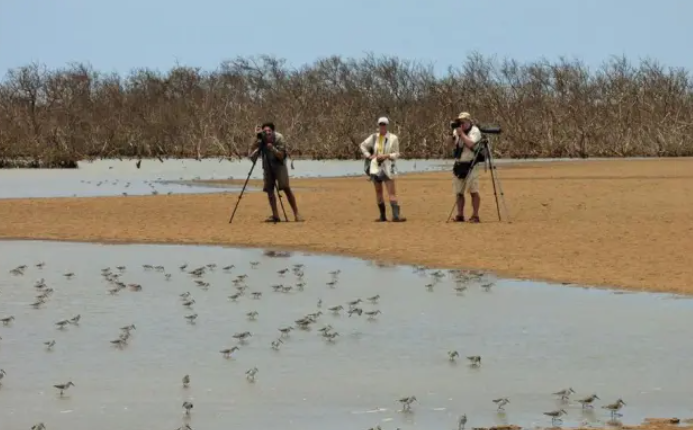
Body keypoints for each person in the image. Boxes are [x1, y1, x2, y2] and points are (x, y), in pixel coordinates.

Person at [249, 122, 303, 223]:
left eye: (269, 131)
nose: (267, 133)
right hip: (267, 164)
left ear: (273, 131)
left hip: (279, 164)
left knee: (286, 188)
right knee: (269, 190)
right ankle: (275, 215)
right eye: (265, 131)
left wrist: (272, 148)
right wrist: (256, 139)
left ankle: (296, 214)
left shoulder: (279, 137)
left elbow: (281, 155)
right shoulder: (260, 139)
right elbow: (251, 153)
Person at [359, 116, 406, 222]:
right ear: (378, 125)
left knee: (391, 192)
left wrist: (386, 156)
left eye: (384, 124)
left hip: (388, 167)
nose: (382, 126)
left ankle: (395, 216)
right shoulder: (374, 137)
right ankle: (382, 216)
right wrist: (368, 155)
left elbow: (397, 153)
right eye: (380, 124)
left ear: (387, 125)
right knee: (378, 192)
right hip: (375, 167)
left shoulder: (393, 138)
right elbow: (362, 145)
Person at [448, 112, 483, 223]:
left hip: (471, 163)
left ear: (468, 121)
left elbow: (471, 144)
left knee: (473, 190)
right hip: (459, 163)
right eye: (459, 122)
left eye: (463, 122)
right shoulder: (456, 130)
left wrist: (461, 134)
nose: (461, 124)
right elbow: (449, 145)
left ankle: (475, 215)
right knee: (459, 192)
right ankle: (460, 215)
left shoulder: (475, 131)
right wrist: (452, 135)